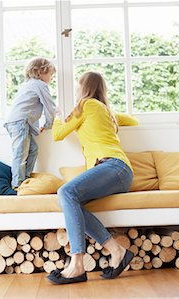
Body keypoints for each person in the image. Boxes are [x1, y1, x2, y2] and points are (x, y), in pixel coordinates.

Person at [47, 71, 138, 285]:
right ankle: (117, 251)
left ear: (84, 88)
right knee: (72, 202)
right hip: (119, 170)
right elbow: (133, 120)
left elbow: (57, 135)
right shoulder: (107, 111)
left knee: (66, 192)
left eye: (78, 86)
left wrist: (58, 115)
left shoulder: (86, 105)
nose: (77, 91)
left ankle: (77, 264)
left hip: (112, 166)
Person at [4, 57, 57, 190]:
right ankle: (18, 184)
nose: (51, 78)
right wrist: (48, 124)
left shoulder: (28, 84)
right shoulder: (40, 85)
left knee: (32, 149)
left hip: (17, 121)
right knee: (20, 153)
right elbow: (49, 106)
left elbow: (29, 107)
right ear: (39, 72)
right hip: (19, 122)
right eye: (50, 74)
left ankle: (25, 178)